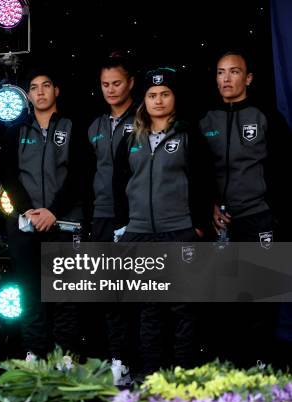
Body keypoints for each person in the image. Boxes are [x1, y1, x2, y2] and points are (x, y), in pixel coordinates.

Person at [113, 68, 214, 376]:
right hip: (140, 233)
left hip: (179, 231)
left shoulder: (188, 133)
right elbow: (119, 184)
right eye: (152, 95)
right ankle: (151, 374)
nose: (158, 101)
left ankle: (183, 373)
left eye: (165, 94)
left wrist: (197, 226)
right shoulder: (131, 137)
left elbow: (203, 180)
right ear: (144, 100)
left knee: (183, 307)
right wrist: (124, 225)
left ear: (174, 97)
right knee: (148, 306)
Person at [198, 51, 292, 367]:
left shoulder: (266, 116)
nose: (226, 78)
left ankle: (263, 366)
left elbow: (284, 169)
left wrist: (275, 213)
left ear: (248, 78)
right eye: (221, 72)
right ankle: (230, 367)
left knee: (263, 296)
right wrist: (207, 206)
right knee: (226, 298)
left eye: (234, 72)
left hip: (259, 216)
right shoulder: (204, 119)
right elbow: (195, 172)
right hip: (222, 223)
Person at [1, 68, 92, 360]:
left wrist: (53, 211)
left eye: (46, 85)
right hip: (26, 224)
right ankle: (34, 352)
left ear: (56, 91)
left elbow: (80, 174)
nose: (40, 92)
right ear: (27, 94)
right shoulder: (16, 131)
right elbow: (9, 175)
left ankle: (65, 354)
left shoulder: (73, 126)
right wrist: (29, 209)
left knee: (64, 293)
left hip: (63, 222)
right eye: (34, 87)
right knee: (30, 291)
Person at [87, 54, 137, 385]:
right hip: (100, 217)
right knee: (104, 294)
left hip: (135, 218)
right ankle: (114, 359)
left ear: (130, 82)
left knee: (133, 294)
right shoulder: (94, 125)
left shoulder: (146, 118)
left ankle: (133, 361)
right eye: (105, 84)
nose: (110, 90)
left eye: (116, 83)